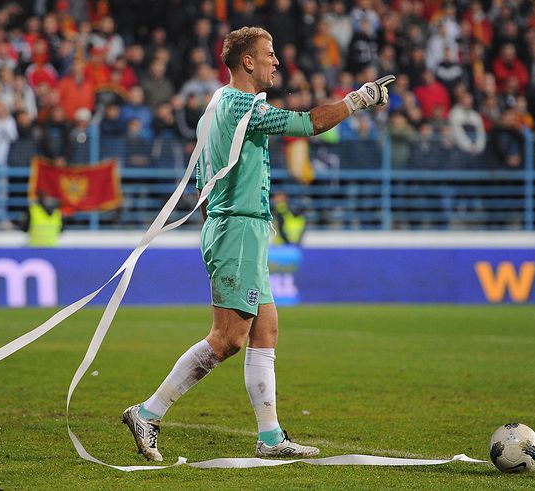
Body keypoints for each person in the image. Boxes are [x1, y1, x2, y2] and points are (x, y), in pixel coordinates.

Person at [121, 26, 393, 462]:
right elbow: (306, 124)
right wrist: (357, 99)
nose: (276, 62)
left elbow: (202, 177)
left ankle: (270, 438)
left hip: (238, 227)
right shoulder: (244, 106)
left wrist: (220, 224)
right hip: (238, 231)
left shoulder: (214, 106)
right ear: (247, 61)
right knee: (228, 338)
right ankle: (148, 413)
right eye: (269, 54)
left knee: (265, 329)